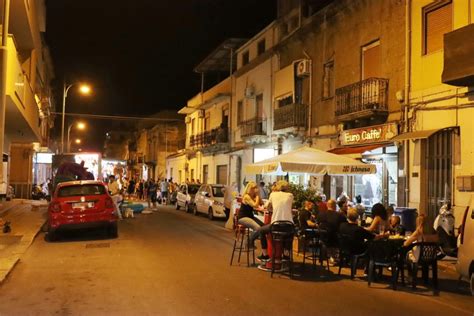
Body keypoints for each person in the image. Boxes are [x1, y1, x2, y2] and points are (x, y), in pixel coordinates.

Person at [252, 180, 294, 262]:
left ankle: (265, 255)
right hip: (289, 226)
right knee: (289, 234)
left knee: (261, 230)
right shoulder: (290, 195)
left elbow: (266, 206)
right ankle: (286, 254)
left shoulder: (273, 194)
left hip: (276, 225)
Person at [238, 182, 265, 250]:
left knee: (264, 227)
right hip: (243, 217)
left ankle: (262, 246)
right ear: (250, 189)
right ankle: (248, 242)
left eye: (256, 187)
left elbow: (262, 203)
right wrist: (258, 196)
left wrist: (258, 196)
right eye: (254, 188)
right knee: (258, 228)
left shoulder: (253, 196)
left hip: (250, 217)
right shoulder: (246, 196)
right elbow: (255, 205)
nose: (256, 189)